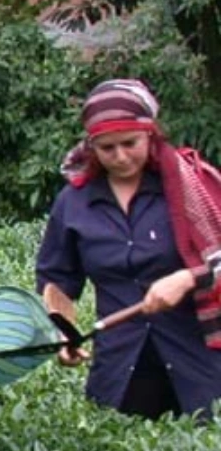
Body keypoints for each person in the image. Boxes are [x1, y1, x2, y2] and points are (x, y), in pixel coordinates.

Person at [36, 78, 221, 419]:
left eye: (129, 143)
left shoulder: (191, 184)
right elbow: (56, 278)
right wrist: (64, 334)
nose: (120, 157)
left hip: (198, 363)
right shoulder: (74, 202)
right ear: (92, 147)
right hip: (120, 366)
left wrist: (187, 277)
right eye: (107, 149)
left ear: (150, 134)